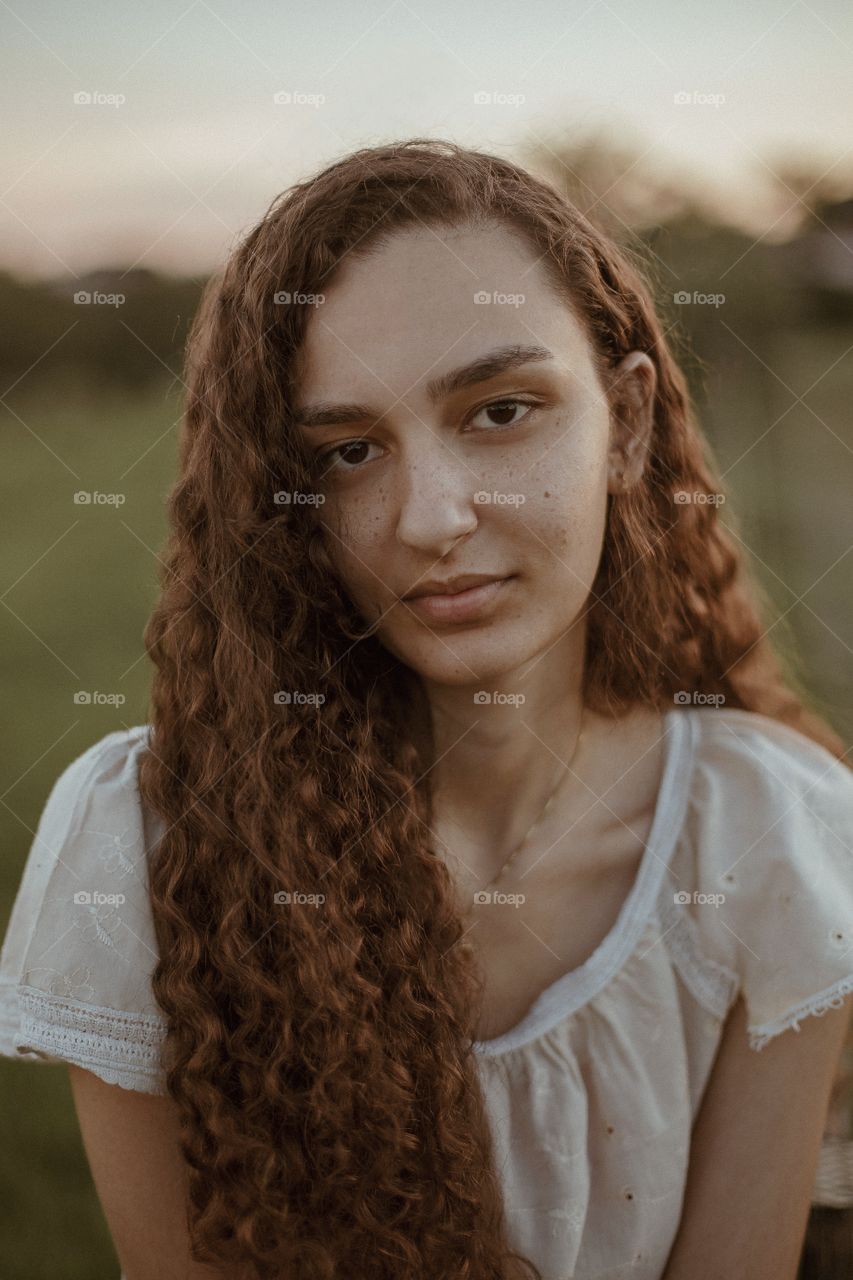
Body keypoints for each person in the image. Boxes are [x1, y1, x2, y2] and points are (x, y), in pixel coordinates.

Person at [1, 138, 852, 1280]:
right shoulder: (152, 843)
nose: (430, 517)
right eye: (350, 449)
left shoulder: (773, 830)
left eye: (500, 411)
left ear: (627, 420)